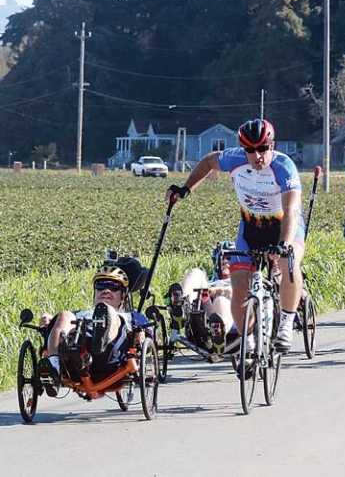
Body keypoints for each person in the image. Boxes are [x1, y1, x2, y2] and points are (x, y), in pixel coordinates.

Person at [167, 118, 304, 371]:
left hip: (284, 225)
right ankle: (248, 341)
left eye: (262, 148)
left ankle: (286, 321)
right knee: (239, 286)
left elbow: (292, 209)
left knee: (289, 262)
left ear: (271, 146)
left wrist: (284, 244)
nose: (257, 155)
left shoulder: (285, 167)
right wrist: (186, 188)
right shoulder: (235, 159)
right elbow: (209, 161)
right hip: (251, 228)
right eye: (250, 150)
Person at [37, 262, 150, 397]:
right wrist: (49, 321)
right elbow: (59, 325)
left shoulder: (132, 316)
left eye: (113, 287)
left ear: (123, 295)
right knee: (65, 315)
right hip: (74, 360)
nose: (106, 290)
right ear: (95, 292)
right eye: (101, 286)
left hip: (110, 360)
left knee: (109, 313)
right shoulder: (81, 313)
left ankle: (101, 334)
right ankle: (54, 368)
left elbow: (151, 338)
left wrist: (142, 335)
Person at [169, 241, 237, 354]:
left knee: (221, 300)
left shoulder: (241, 280)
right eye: (222, 258)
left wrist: (219, 291)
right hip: (203, 317)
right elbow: (205, 295)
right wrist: (207, 292)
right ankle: (181, 307)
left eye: (229, 258)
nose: (225, 261)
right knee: (196, 272)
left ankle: (218, 331)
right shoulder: (210, 281)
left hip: (230, 323)